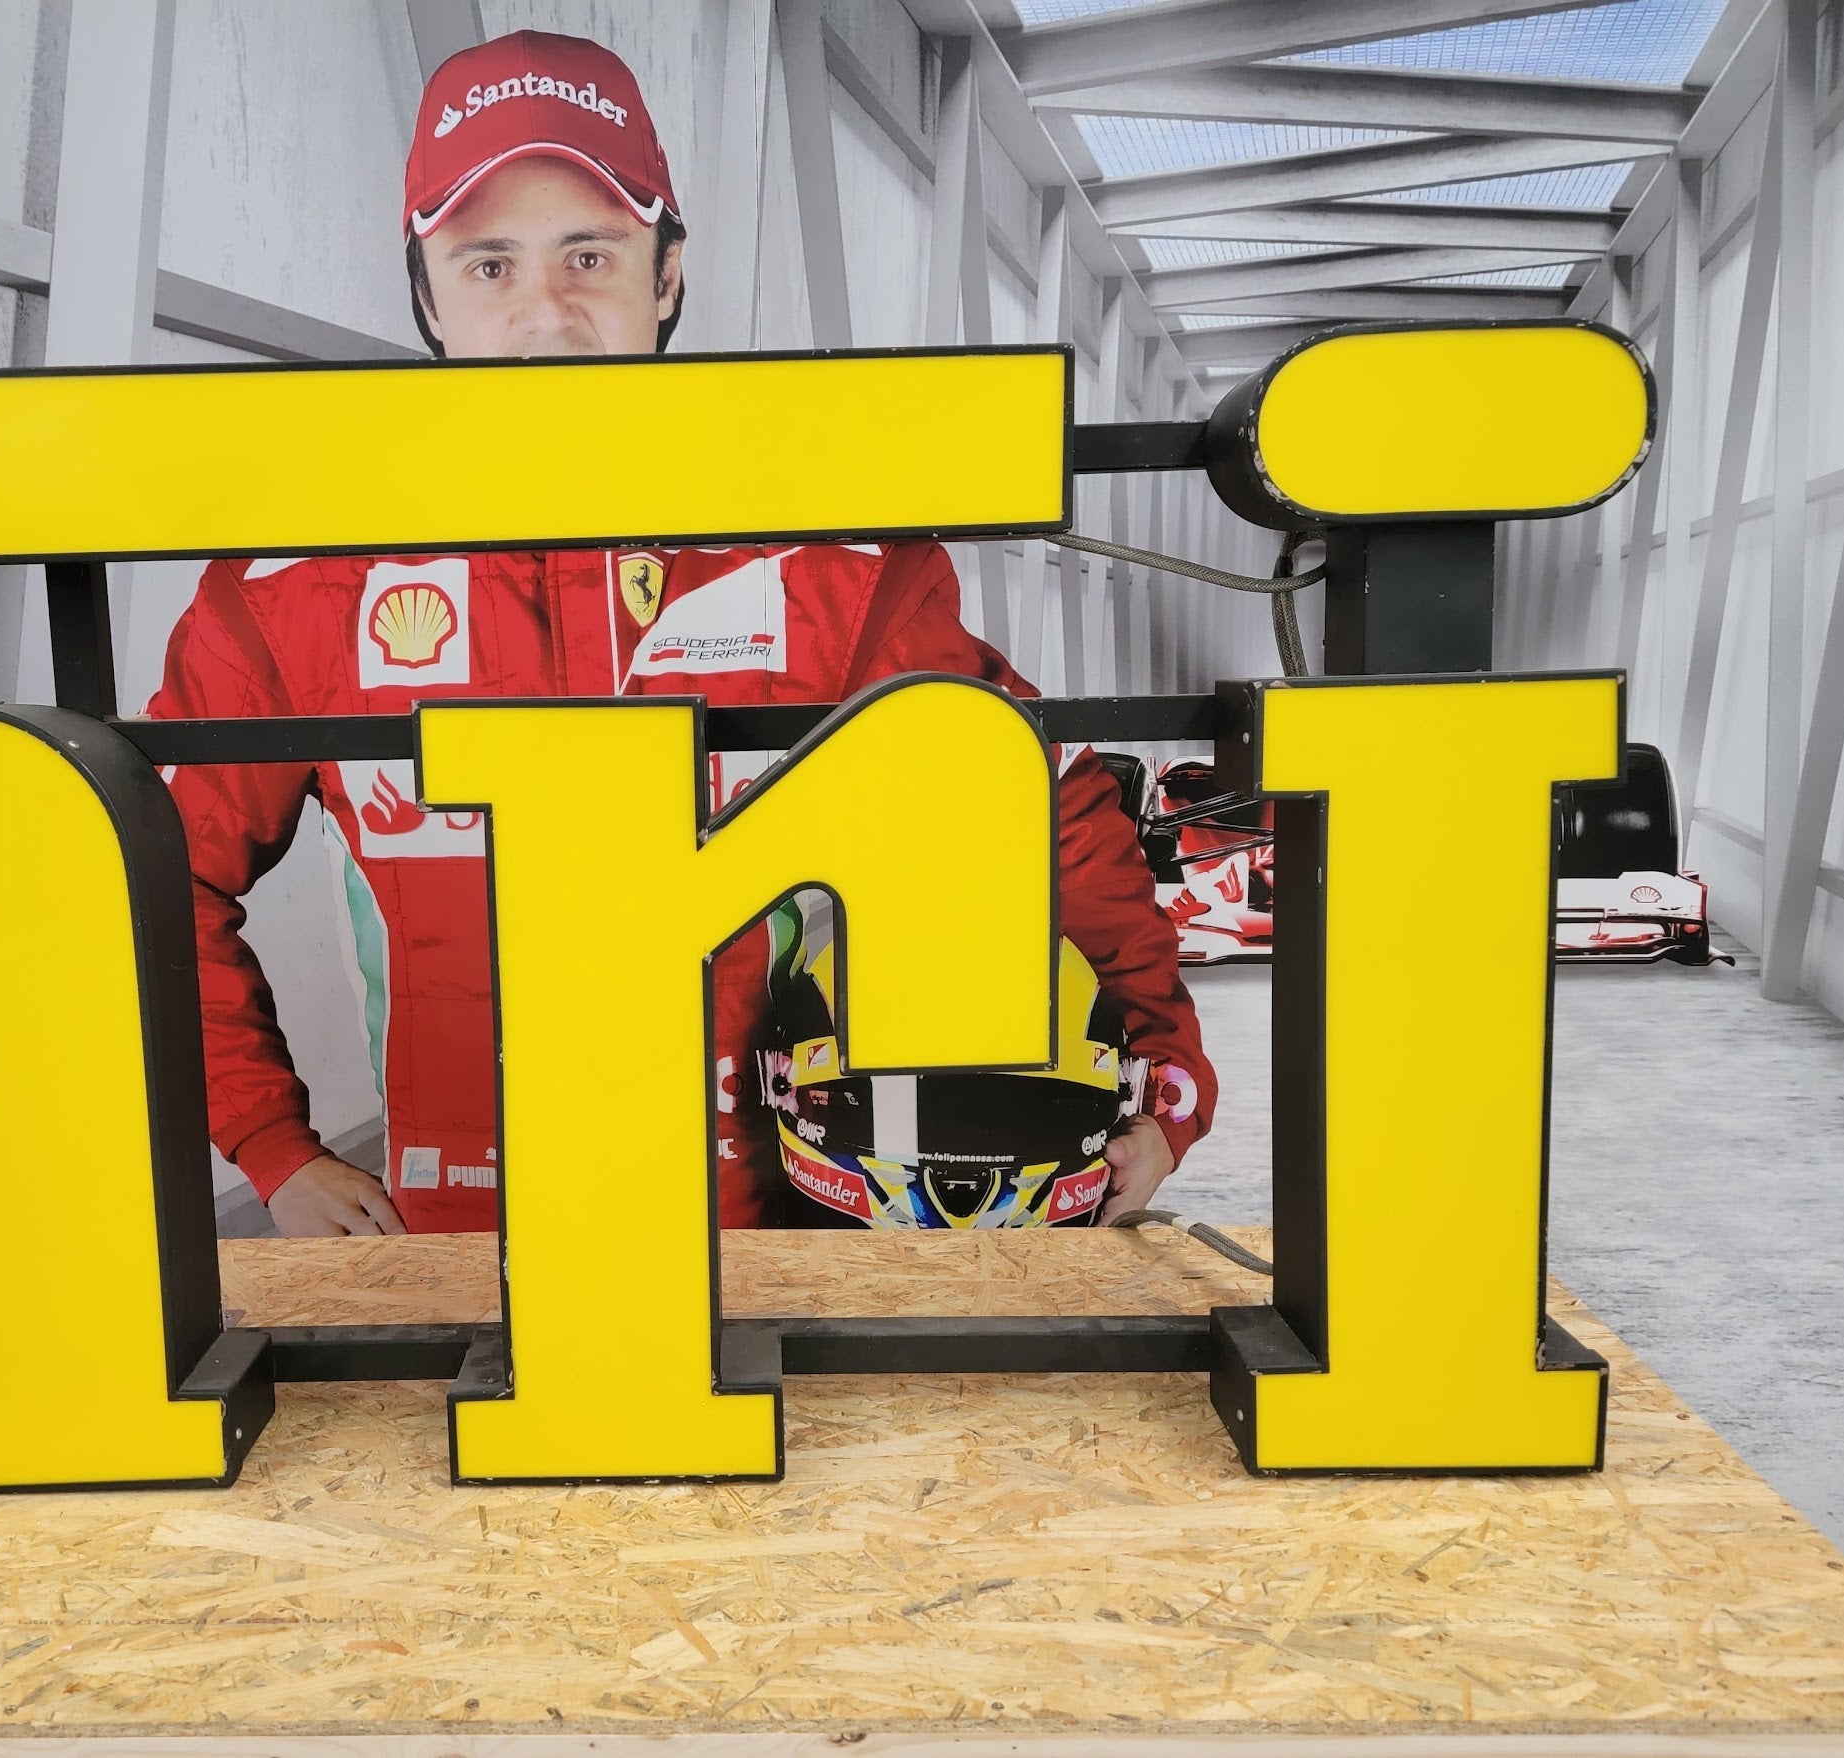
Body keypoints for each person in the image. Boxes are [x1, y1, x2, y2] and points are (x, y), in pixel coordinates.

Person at [146, 29, 1214, 1238]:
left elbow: (1029, 799)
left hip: (788, 1241)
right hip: (470, 1246)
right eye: (488, 264)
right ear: (428, 295)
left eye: (588, 255)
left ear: (666, 276)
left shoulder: (831, 566)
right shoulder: (298, 592)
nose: (546, 312)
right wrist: (273, 1146)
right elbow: (151, 870)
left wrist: (1162, 1070)